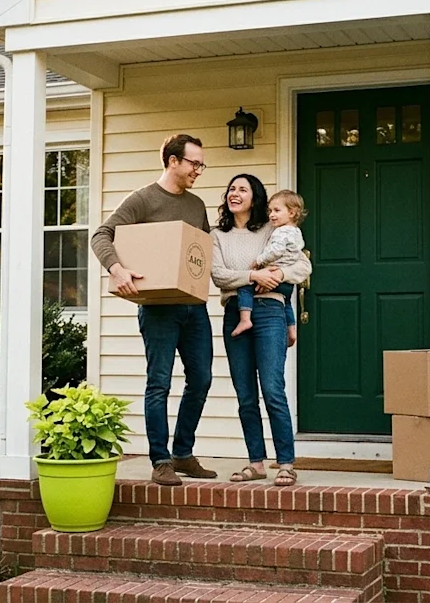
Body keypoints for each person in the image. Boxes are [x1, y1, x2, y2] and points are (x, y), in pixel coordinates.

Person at [89, 134, 219, 486]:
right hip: (159, 308)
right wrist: (117, 268)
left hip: (193, 308)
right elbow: (101, 235)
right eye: (194, 163)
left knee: (202, 379)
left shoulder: (196, 205)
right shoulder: (143, 199)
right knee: (159, 382)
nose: (199, 170)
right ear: (173, 161)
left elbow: (200, 253)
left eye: (201, 164)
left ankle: (182, 452)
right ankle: (160, 459)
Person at [210, 175, 312, 487]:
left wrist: (278, 273)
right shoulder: (218, 235)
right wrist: (254, 274)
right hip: (234, 314)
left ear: (255, 197)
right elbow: (218, 276)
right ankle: (256, 462)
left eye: (242, 189)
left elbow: (303, 267)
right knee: (245, 395)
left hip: (270, 311)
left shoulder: (274, 229)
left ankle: (285, 463)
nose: (234, 193)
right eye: (231, 188)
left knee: (272, 389)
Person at [230, 189, 307, 347]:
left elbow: (276, 251)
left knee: (244, 285)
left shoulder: (280, 232)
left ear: (292, 213)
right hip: (284, 283)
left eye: (277, 211)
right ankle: (291, 331)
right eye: (270, 211)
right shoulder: (296, 232)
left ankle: (245, 319)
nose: (272, 215)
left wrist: (259, 261)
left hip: (273, 272)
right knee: (286, 302)